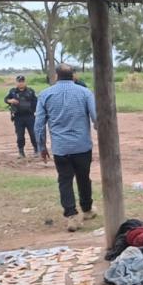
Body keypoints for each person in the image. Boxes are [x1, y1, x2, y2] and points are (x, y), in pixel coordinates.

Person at [35, 63, 98, 232]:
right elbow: (96, 118)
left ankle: (71, 215)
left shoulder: (45, 95)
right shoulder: (85, 93)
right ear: (73, 75)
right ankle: (87, 209)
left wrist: (42, 146)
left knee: (64, 180)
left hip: (60, 147)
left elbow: (39, 124)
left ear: (56, 76)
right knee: (84, 177)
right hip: (82, 145)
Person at [5, 75, 39, 158]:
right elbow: (6, 99)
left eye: (22, 81)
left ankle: (36, 150)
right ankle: (21, 152)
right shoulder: (12, 92)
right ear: (16, 82)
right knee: (20, 135)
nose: (21, 83)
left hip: (30, 116)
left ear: (25, 82)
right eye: (19, 81)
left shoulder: (30, 91)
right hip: (18, 117)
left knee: (33, 134)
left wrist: (33, 109)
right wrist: (10, 100)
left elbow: (36, 102)